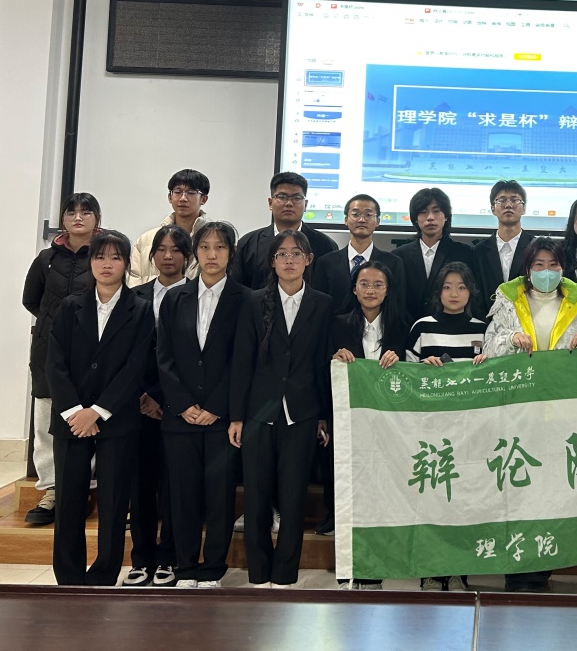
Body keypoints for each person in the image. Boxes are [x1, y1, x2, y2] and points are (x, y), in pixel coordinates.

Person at [483, 236, 577, 593]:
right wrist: (510, 340)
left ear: (563, 268)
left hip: (561, 412)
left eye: (553, 265)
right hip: (518, 411)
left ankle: (542, 568)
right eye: (539, 265)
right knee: (517, 488)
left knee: (550, 491)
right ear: (527, 268)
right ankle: (516, 570)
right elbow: (489, 347)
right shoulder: (507, 299)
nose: (546, 271)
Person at [45, 229, 153, 586]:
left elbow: (135, 368)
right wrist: (75, 411)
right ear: (90, 262)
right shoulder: (69, 306)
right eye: (100, 257)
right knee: (69, 500)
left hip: (116, 419)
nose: (107, 264)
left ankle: (104, 574)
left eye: (115, 258)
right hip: (71, 420)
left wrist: (99, 410)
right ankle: (69, 577)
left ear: (127, 264)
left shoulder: (140, 310)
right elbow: (54, 363)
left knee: (113, 501)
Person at [229, 230, 335, 588]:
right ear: (272, 262)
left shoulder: (322, 303)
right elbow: (241, 361)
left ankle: (285, 573)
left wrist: (323, 415)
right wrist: (237, 416)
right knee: (257, 496)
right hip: (258, 413)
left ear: (309, 260)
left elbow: (322, 363)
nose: (289, 260)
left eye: (296, 253)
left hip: (302, 413)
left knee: (293, 497)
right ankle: (259, 573)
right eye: (282, 254)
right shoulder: (253, 301)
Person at [155, 221, 245, 587]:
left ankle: (212, 568)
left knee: (220, 496)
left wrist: (218, 406)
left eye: (220, 248)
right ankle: (185, 567)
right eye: (205, 247)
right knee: (182, 496)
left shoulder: (246, 299)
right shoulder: (175, 298)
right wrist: (182, 403)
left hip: (222, 419)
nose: (212, 254)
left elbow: (243, 360)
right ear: (195, 253)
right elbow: (164, 357)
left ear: (231, 254)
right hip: (181, 417)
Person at [405, 261, 488, 592]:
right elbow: (404, 376)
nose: (454, 293)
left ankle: (458, 572)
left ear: (471, 292)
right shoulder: (422, 327)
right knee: (431, 500)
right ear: (438, 292)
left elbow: (497, 378)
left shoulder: (484, 329)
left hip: (471, 432)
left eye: (462, 287)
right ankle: (429, 570)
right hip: (431, 432)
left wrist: (487, 363)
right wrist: (422, 368)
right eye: (448, 287)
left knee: (465, 502)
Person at [328, 260, 410, 590]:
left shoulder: (402, 325)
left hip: (390, 424)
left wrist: (400, 361)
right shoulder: (336, 324)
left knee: (383, 494)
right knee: (351, 493)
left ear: (388, 290)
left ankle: (377, 567)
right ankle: (350, 569)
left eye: (378, 284)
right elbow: (321, 368)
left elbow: (416, 373)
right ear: (354, 289)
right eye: (364, 284)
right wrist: (335, 359)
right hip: (350, 423)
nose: (371, 290)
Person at [21, 192, 101, 526]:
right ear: (63, 219)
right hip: (48, 350)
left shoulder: (105, 254)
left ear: (97, 218)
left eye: (86, 212)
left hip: (91, 351)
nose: (78, 217)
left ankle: (85, 488)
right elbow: (31, 300)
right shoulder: (46, 259)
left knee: (88, 419)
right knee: (46, 421)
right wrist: (56, 326)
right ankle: (52, 490)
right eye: (71, 212)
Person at [122, 224, 192, 587]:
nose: (168, 256)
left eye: (176, 250)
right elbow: (126, 353)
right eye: (161, 250)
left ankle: (169, 557)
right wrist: (141, 396)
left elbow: (191, 358)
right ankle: (141, 558)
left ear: (187, 257)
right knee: (141, 487)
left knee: (175, 487)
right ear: (151, 256)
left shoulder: (196, 295)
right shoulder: (134, 296)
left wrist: (163, 397)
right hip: (138, 405)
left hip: (177, 405)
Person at [230, 172, 337, 289]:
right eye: (282, 197)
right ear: (270, 203)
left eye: (296, 198)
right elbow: (238, 289)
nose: (289, 203)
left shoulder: (326, 245)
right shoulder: (248, 243)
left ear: (305, 204)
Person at [311, 193, 405, 314]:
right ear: (346, 220)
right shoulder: (326, 262)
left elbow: (397, 306)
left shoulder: (393, 263)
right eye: (355, 214)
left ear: (377, 221)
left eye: (368, 215)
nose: (362, 220)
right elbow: (319, 306)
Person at [396, 187, 472, 323]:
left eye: (436, 211)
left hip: (450, 328)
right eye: (423, 212)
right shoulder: (399, 256)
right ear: (415, 218)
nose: (430, 217)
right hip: (407, 328)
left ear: (446, 216)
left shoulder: (464, 254)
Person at [130, 169, 211, 286]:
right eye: (178, 192)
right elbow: (134, 280)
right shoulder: (146, 240)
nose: (183, 198)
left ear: (203, 199)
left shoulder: (212, 241)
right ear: (170, 197)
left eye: (191, 192)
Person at [472, 180, 536, 318]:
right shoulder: (479, 252)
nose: (508, 205)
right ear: (493, 208)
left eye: (514, 200)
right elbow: (475, 295)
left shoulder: (536, 248)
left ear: (524, 208)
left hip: (528, 324)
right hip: (487, 323)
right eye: (501, 200)